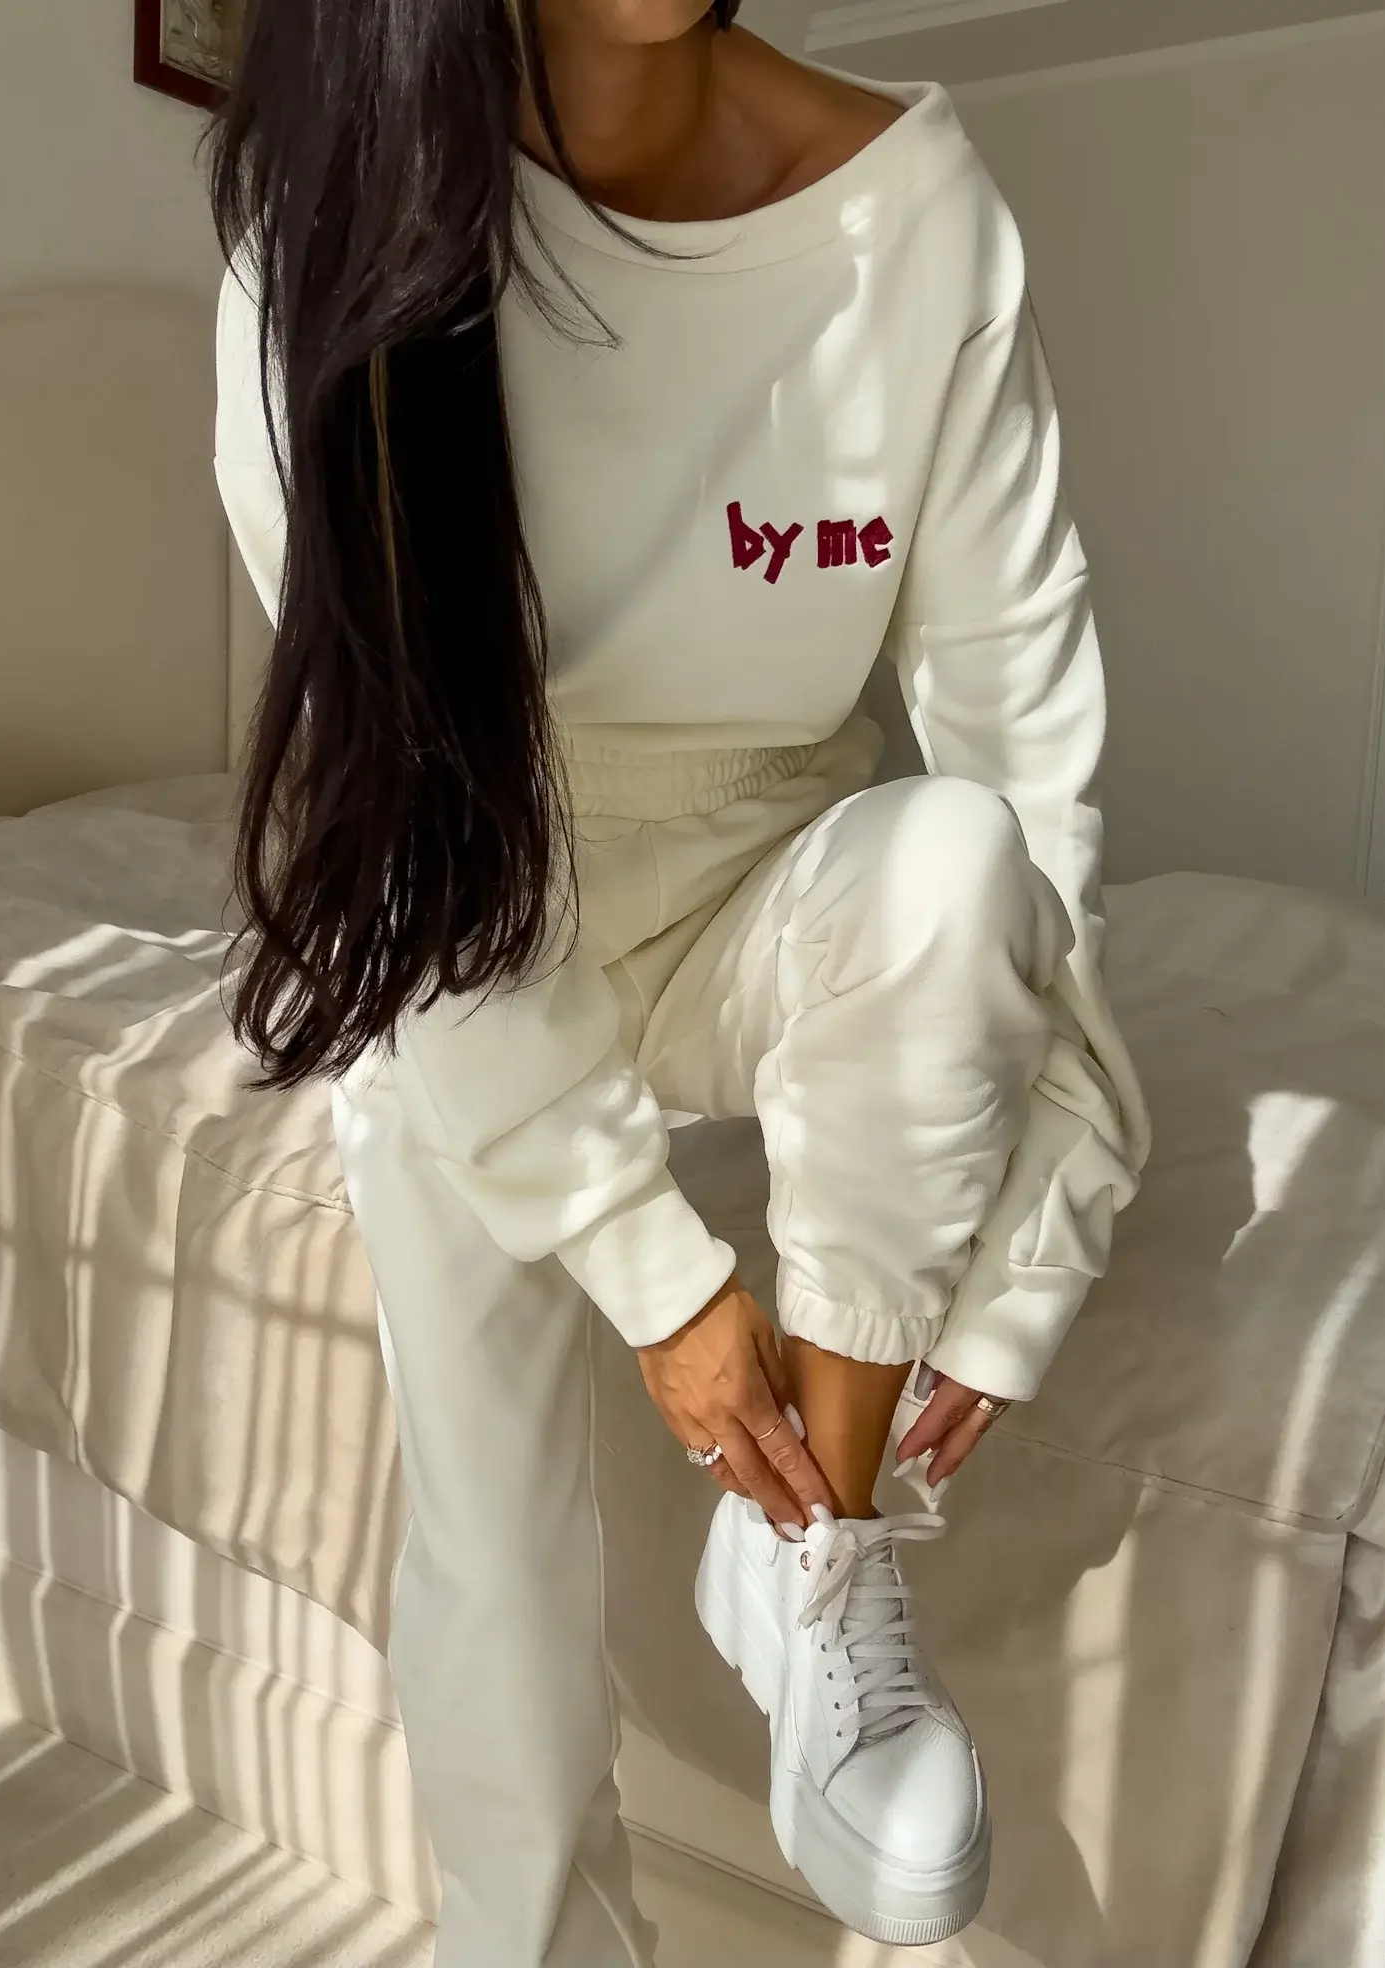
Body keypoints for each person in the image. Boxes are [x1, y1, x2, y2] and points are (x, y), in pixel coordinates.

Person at [210, 1, 1150, 1960]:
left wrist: (1036, 1234)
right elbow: (398, 812)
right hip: (460, 907)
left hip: (764, 879)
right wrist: (657, 1278)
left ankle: (816, 1548)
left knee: (951, 868)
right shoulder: (327, 214)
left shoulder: (913, 210)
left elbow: (1026, 771)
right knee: (491, 1540)